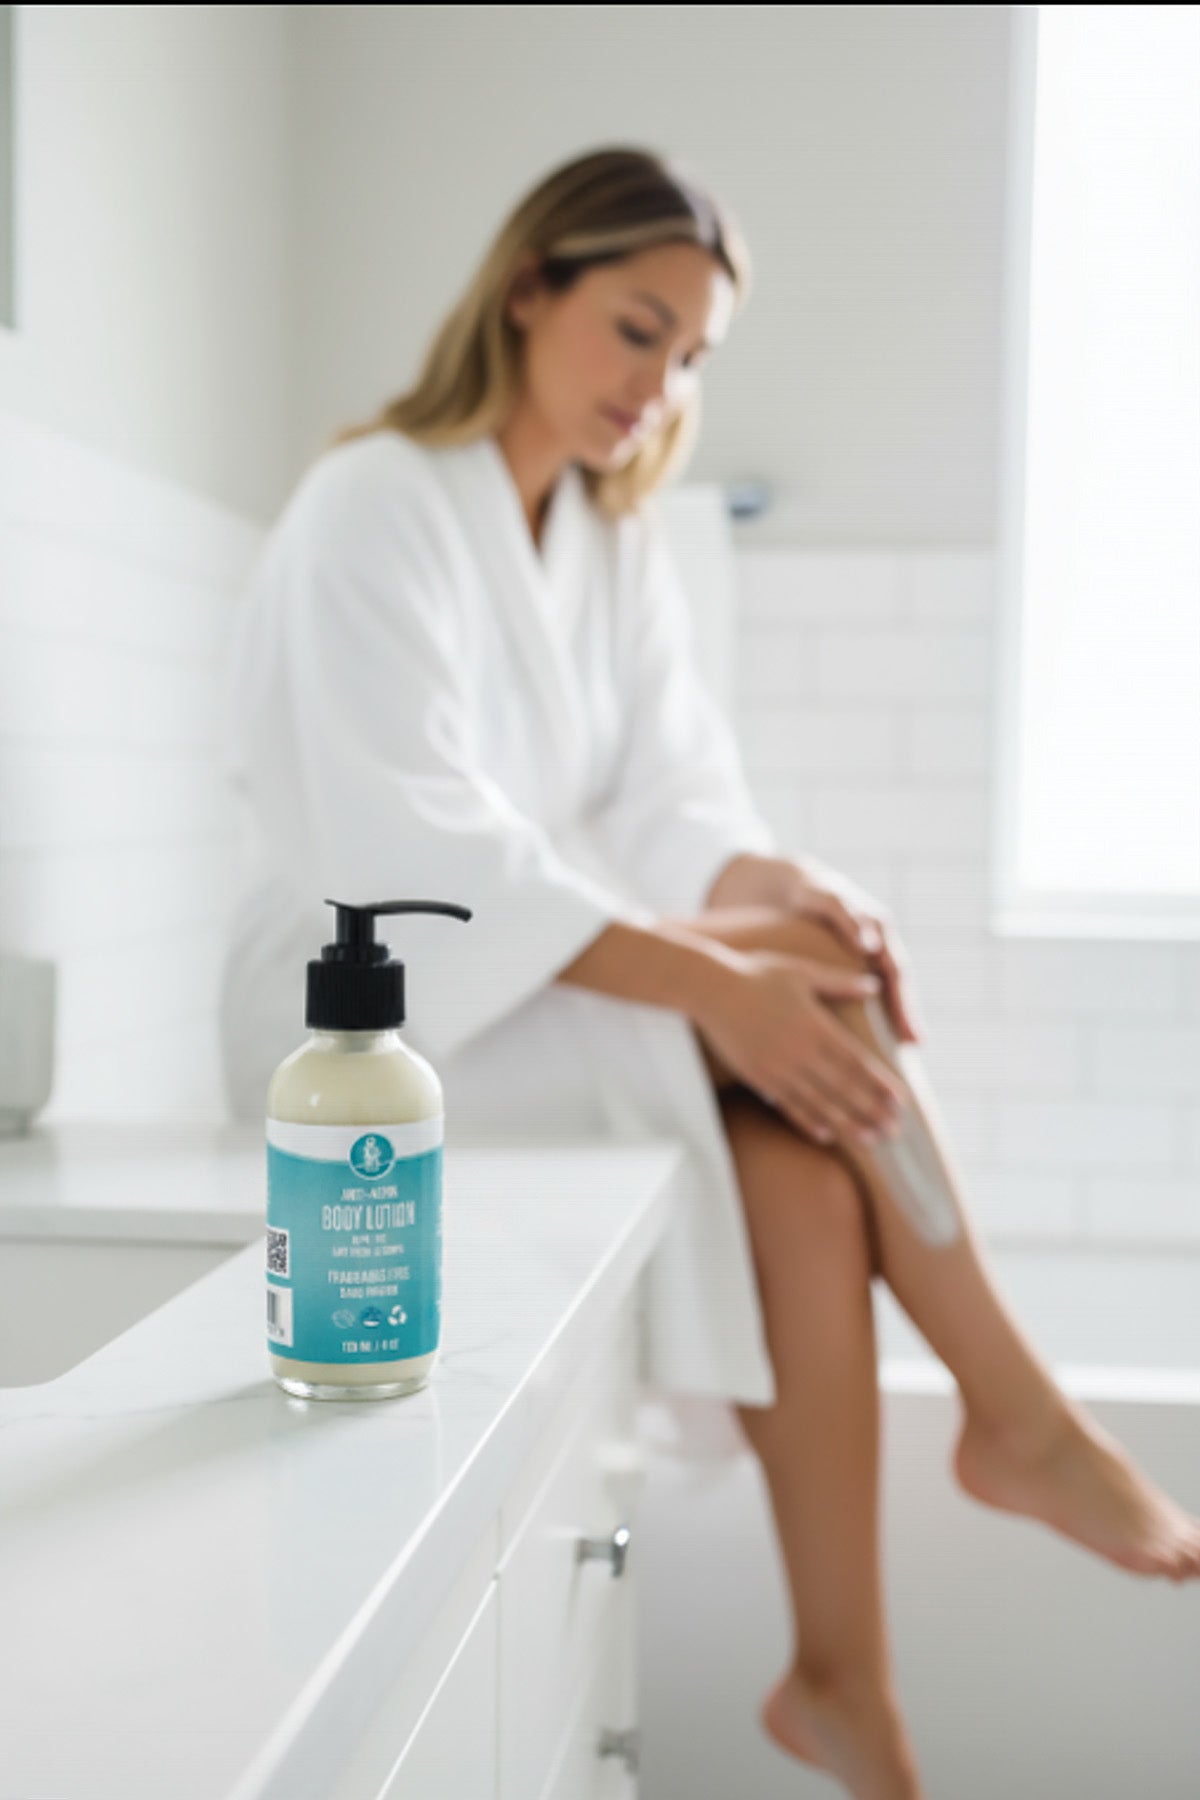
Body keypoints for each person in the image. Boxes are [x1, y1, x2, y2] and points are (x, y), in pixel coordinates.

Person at [218, 146, 1200, 1799]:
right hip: (383, 1017)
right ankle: (1016, 1413)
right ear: (528, 289)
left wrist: (779, 892)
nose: (657, 385)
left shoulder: (608, 543)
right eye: (635, 329)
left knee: (810, 1138)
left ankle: (844, 1684)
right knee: (792, 992)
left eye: (689, 357)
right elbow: (414, 846)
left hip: (548, 981)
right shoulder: (375, 501)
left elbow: (673, 805)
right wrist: (718, 981)